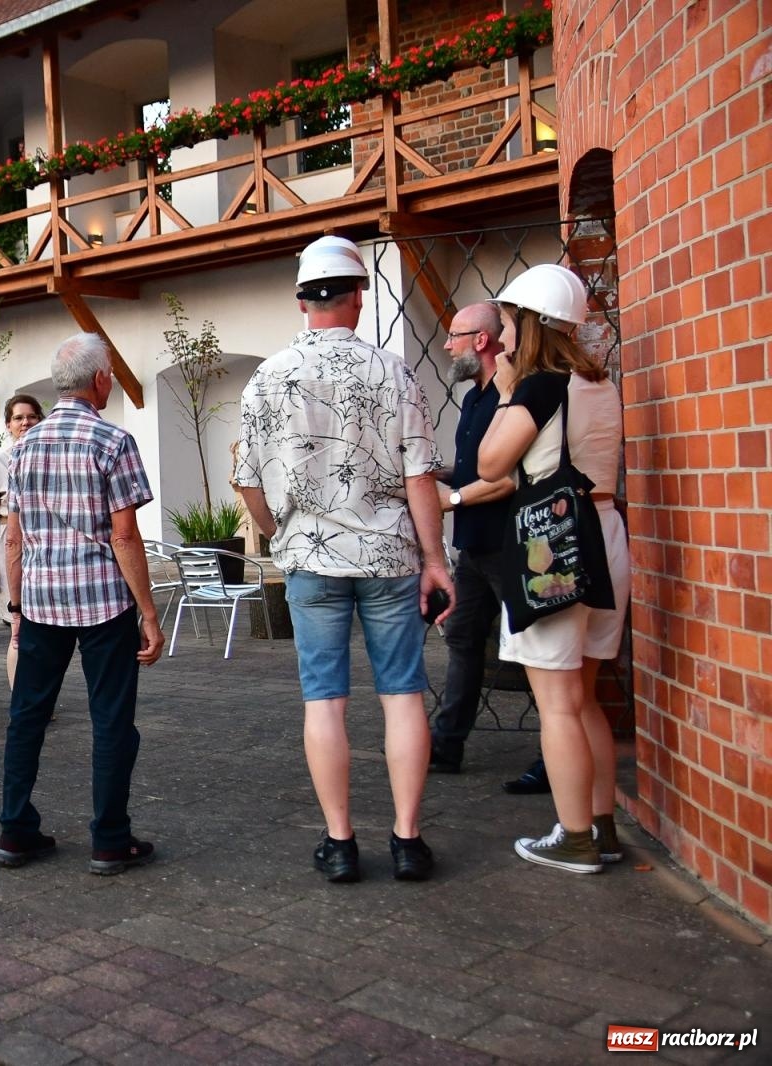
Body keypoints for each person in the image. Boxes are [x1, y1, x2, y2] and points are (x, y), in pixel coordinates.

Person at [235, 235, 453, 884]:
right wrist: (436, 560)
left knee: (324, 702)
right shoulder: (394, 372)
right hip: (390, 555)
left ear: (302, 300)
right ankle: (408, 841)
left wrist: (278, 529)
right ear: (359, 295)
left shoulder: (268, 378)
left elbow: (247, 480)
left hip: (310, 559)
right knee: (403, 695)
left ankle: (340, 843)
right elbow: (420, 476)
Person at [477, 263, 630, 874]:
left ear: (527, 323)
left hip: (554, 542)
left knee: (559, 701)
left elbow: (491, 463)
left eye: (508, 323)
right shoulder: (599, 382)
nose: (502, 336)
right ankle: (600, 823)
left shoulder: (540, 387)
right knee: (585, 697)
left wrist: (509, 388)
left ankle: (574, 837)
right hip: (605, 534)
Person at [0, 332, 164, 876]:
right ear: (98, 380)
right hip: (104, 602)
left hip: (42, 600)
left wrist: (16, 606)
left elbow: (13, 538)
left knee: (26, 717)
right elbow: (125, 537)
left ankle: (15, 831)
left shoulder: (23, 448)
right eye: (110, 371)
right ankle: (109, 839)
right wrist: (150, 611)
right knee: (112, 719)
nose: (111, 379)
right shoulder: (112, 442)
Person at [429, 304, 517, 773]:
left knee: (534, 646)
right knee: (461, 636)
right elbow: (473, 471)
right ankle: (446, 744)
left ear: (481, 341)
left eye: (454, 336)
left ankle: (555, 754)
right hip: (474, 548)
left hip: (508, 544)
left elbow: (508, 479)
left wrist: (448, 501)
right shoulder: (472, 399)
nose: (447, 345)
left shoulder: (510, 396)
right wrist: (432, 476)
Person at [0, 395, 45, 688]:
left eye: (31, 416)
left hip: (41, 541)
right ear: (8, 425)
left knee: (42, 624)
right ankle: (22, 696)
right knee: (17, 624)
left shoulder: (48, 459)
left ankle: (41, 697)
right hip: (7, 542)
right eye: (18, 418)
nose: (25, 422)